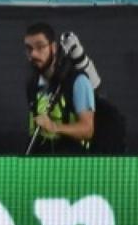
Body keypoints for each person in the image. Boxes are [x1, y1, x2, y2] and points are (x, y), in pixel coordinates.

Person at [23, 22, 95, 154]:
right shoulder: (32, 84)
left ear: (54, 47)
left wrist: (54, 127)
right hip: (41, 163)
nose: (33, 54)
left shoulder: (78, 81)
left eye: (40, 47)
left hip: (72, 163)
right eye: (29, 48)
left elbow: (87, 130)